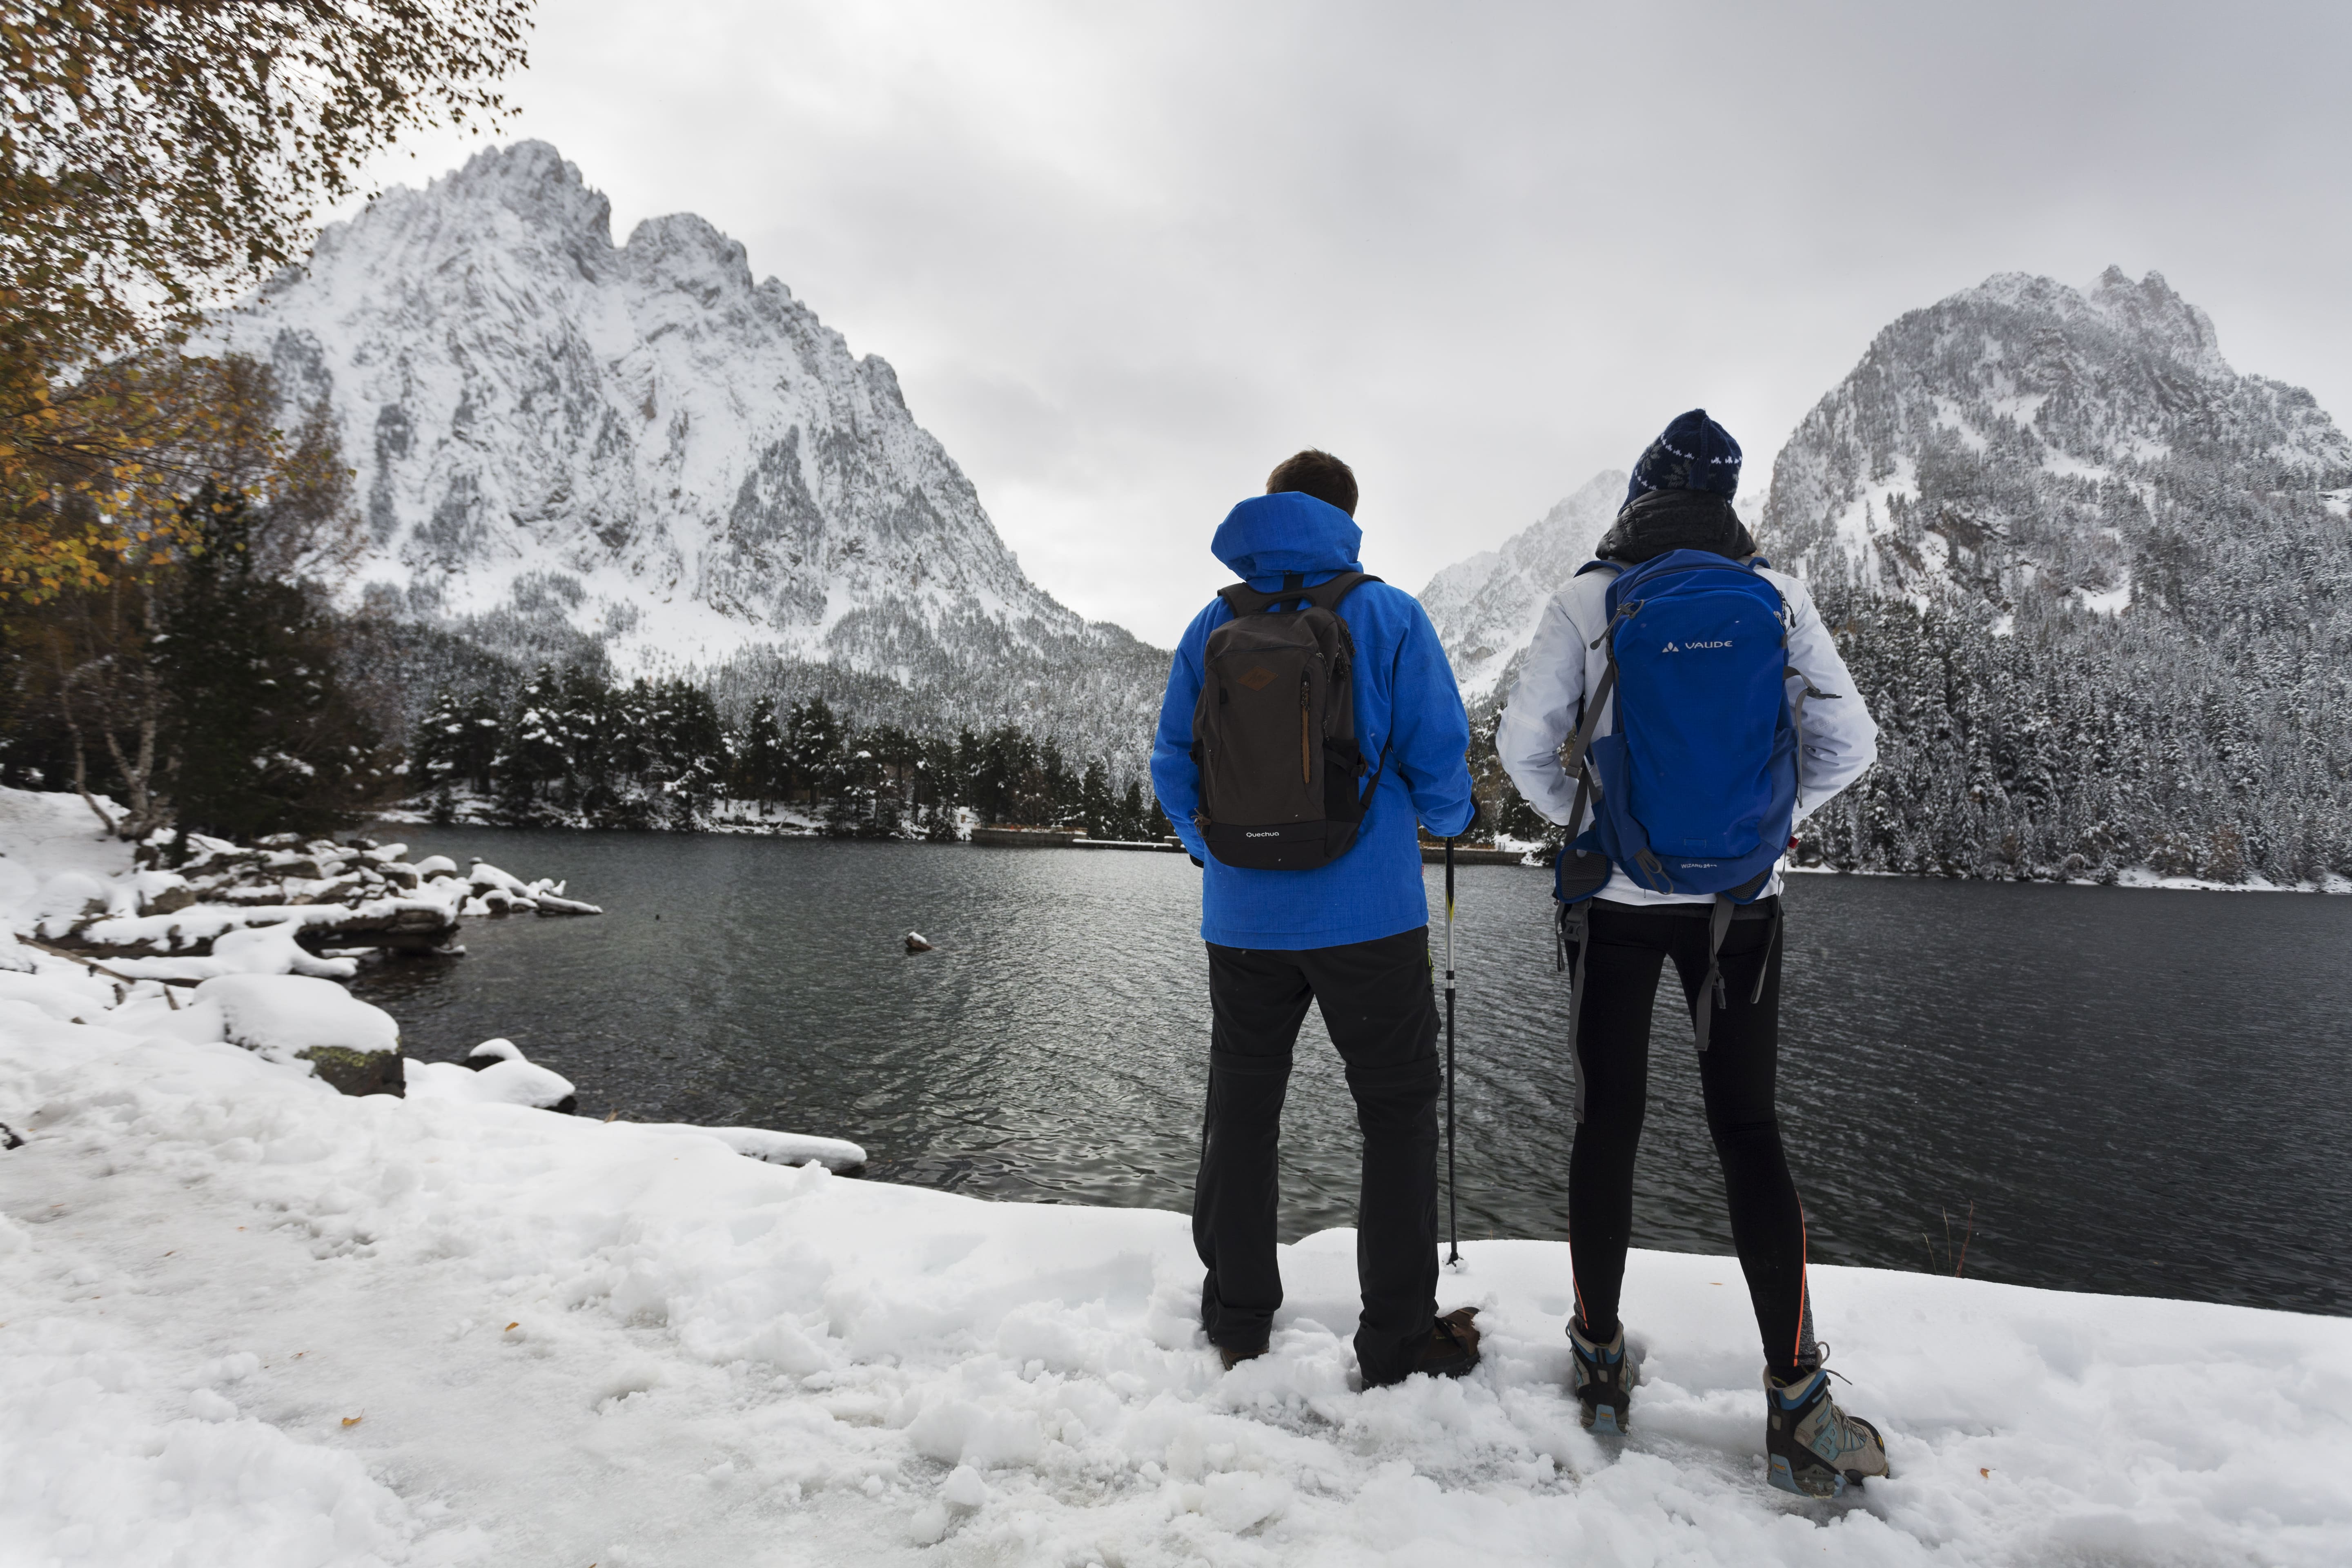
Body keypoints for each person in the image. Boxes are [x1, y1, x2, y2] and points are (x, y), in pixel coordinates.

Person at [1495, 410, 1892, 1497]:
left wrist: (1601, 827)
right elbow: (1850, 745)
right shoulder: (1776, 599)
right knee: (1751, 1132)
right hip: (1742, 909)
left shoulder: (1588, 597)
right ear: (1728, 506)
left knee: (1605, 1126)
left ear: (1640, 492)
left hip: (1614, 907)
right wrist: (1766, 827)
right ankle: (1798, 1404)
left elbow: (1524, 747)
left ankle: (1601, 1364)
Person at [1152, 448, 1481, 1388]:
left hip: (1244, 921)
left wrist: (1217, 854)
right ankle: (1396, 1340)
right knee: (1397, 1116)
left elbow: (1173, 763)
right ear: (1349, 517)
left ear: (1269, 511)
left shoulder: (1214, 621)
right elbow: (1438, 755)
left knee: (1245, 1108)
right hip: (1370, 914)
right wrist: (1452, 822)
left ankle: (1240, 1318)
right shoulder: (1387, 614)